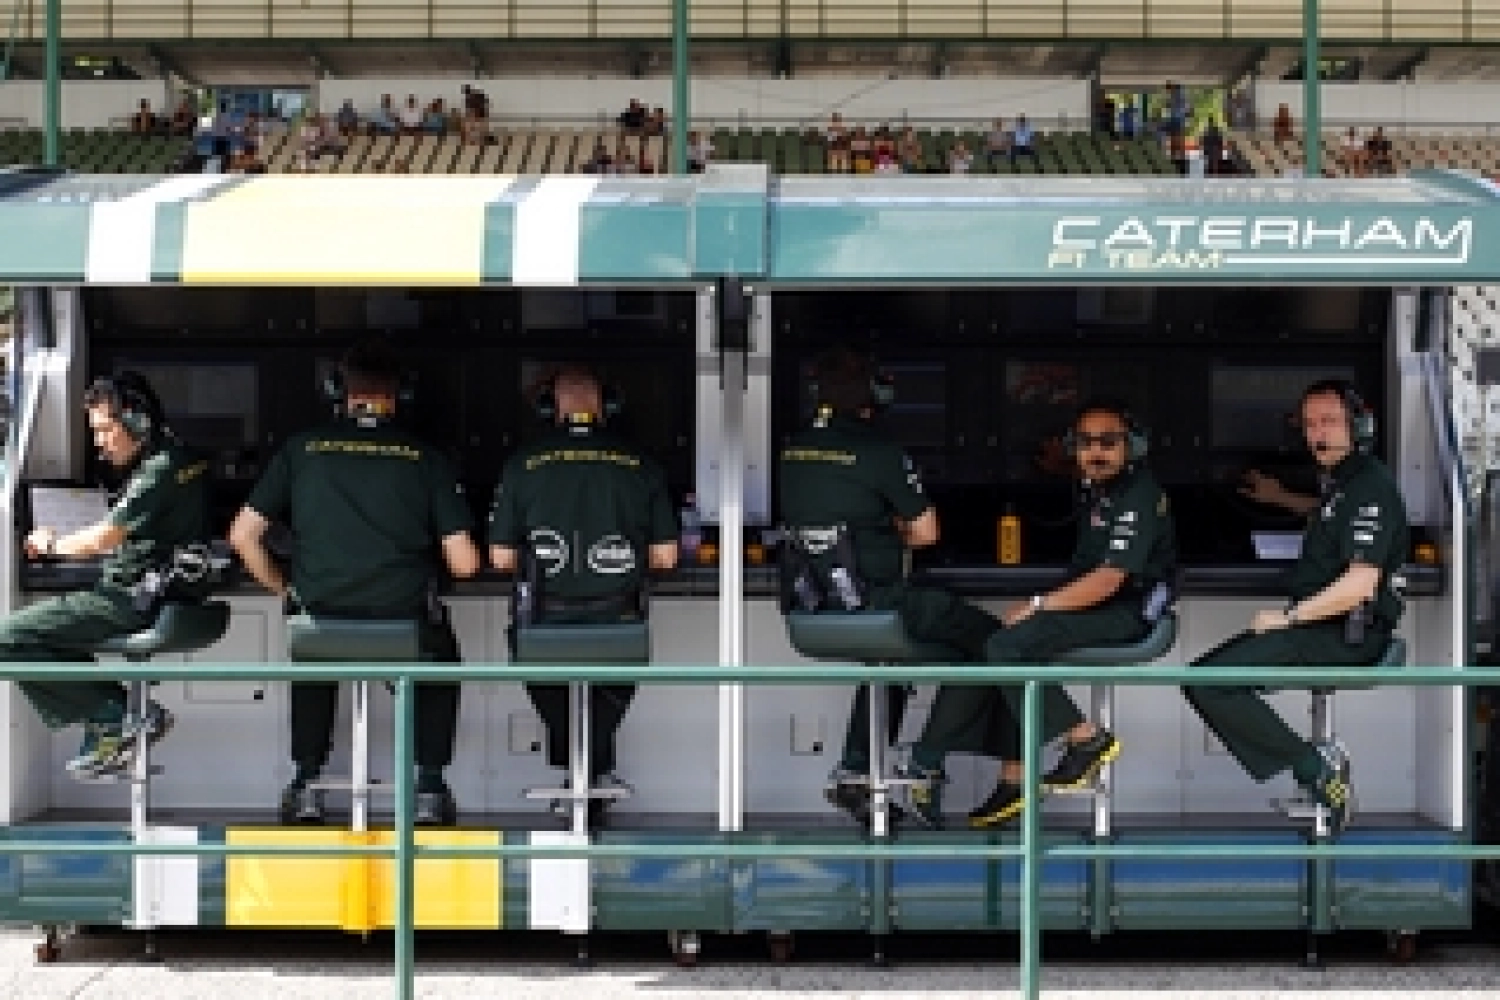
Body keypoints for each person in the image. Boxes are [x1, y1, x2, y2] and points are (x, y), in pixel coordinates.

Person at [228, 343, 481, 826]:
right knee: (439, 664)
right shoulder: (425, 459)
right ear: (400, 396)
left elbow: (242, 536)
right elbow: (466, 563)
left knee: (312, 657)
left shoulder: (301, 450)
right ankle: (428, 786)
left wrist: (285, 588)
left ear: (336, 393)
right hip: (402, 624)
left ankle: (306, 782)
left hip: (321, 620)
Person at [902, 399, 1176, 828]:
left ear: (1133, 447)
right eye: (1085, 443)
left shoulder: (1139, 493)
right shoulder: (1095, 484)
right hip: (1099, 604)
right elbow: (1079, 475)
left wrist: (1038, 604)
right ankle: (1015, 777)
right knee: (1006, 647)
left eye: (1108, 442)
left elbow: (1108, 581)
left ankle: (1085, 740)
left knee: (1008, 646)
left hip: (1129, 612)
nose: (1096, 452)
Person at [778, 348, 1001, 825]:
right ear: (874, 397)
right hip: (881, 602)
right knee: (993, 645)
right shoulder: (880, 452)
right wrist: (890, 526)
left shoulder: (792, 449)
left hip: (816, 611)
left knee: (893, 664)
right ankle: (922, 767)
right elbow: (926, 533)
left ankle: (856, 772)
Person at [1182, 380, 1410, 836]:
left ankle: (1317, 772)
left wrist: (1286, 618)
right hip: (1326, 628)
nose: (1317, 433)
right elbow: (1329, 514)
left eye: (1328, 421)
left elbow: (1361, 585)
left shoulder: (1370, 485)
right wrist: (1278, 498)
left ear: (1359, 425)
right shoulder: (1346, 481)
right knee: (1213, 677)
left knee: (1210, 682)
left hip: (1347, 634)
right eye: (1309, 424)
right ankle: (1314, 769)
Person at [488, 365, 678, 827]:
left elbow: (499, 557)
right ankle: (592, 776)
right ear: (606, 406)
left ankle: (575, 775)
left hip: (542, 630)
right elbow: (667, 556)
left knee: (554, 689)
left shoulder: (523, 465)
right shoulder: (640, 466)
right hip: (618, 626)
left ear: (551, 408)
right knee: (605, 694)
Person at [4, 373, 212, 777]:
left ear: (136, 423)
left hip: (131, 600)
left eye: (104, 430)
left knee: (9, 638)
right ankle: (120, 719)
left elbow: (104, 537)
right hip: (172, 596)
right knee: (49, 636)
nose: (98, 442)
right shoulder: (185, 458)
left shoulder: (157, 469)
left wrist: (49, 544)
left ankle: (115, 718)